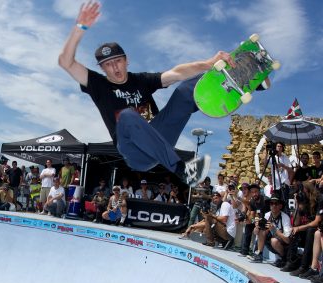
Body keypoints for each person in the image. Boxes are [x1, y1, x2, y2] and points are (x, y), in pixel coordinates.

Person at [57, 1, 232, 186]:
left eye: (117, 61)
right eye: (108, 64)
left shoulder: (141, 80)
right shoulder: (98, 85)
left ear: (127, 61)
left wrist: (209, 63)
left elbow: (176, 73)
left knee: (184, 89)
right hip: (134, 153)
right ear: (102, 68)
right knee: (126, 116)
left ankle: (233, 81)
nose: (114, 67)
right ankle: (183, 170)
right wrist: (80, 27)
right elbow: (65, 62)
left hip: (160, 137)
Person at [247, 195, 292, 263]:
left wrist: (275, 230)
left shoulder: (285, 218)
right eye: (271, 204)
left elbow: (287, 240)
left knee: (274, 241)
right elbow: (256, 233)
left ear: (280, 206)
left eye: (276, 204)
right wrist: (256, 229)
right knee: (261, 230)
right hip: (271, 242)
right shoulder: (267, 215)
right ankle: (259, 255)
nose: (273, 206)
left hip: (283, 245)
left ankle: (284, 258)